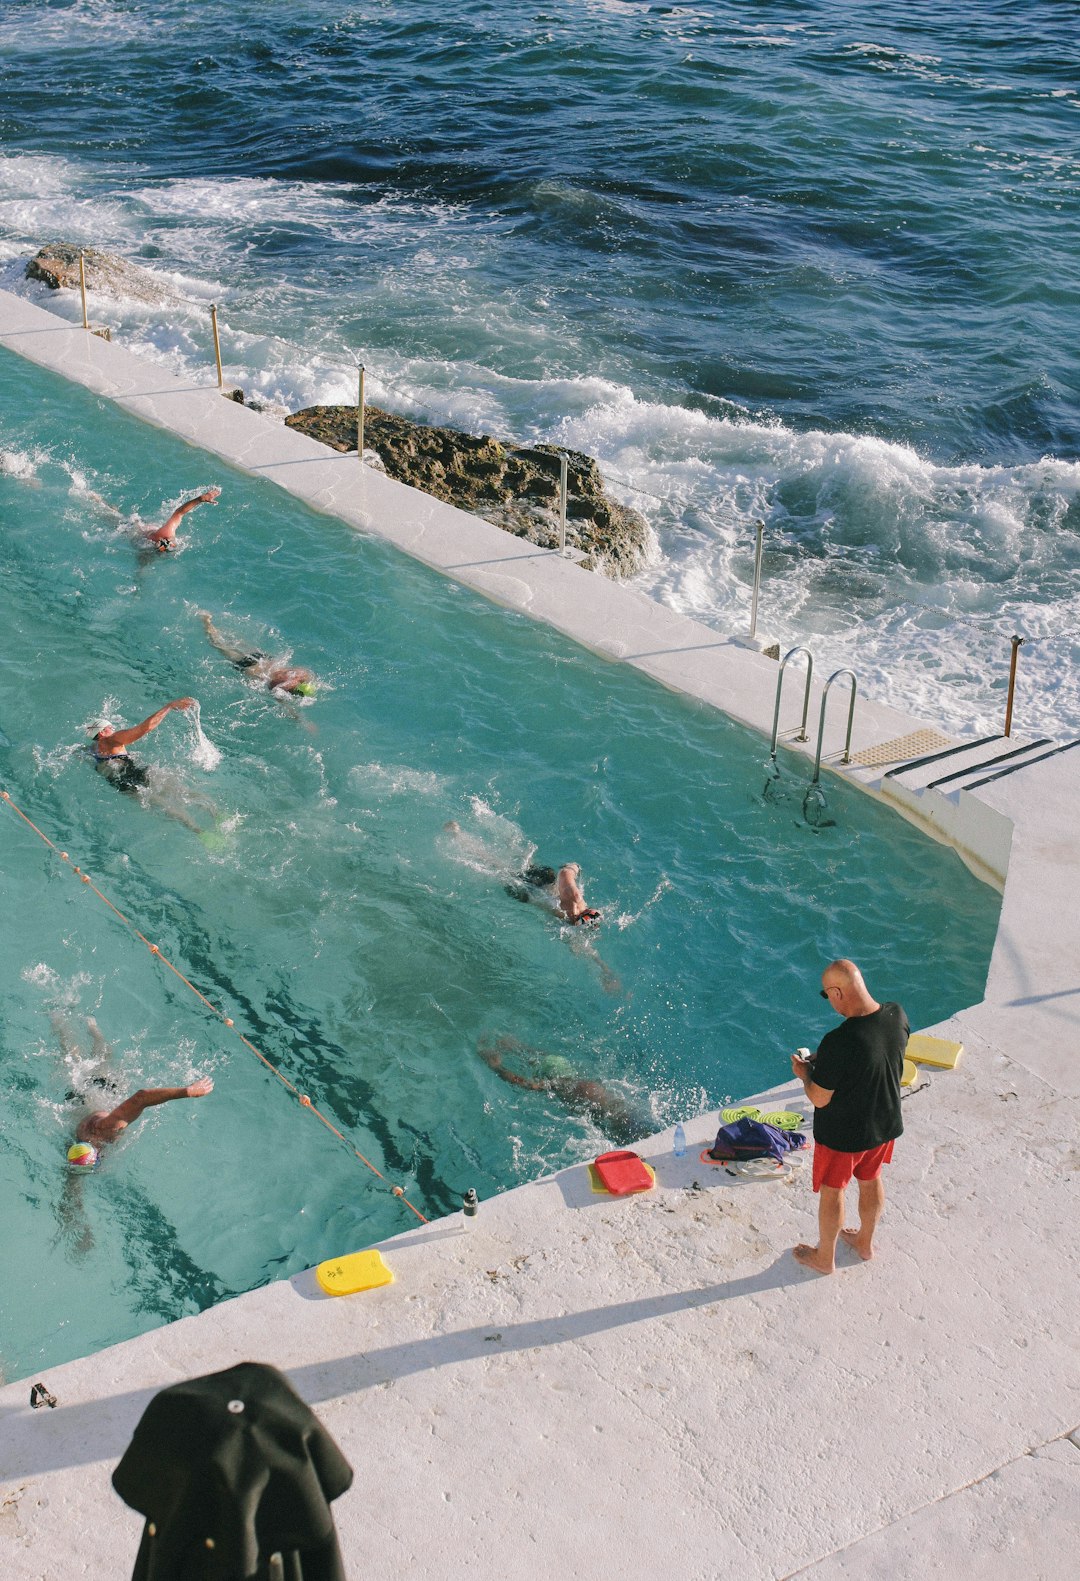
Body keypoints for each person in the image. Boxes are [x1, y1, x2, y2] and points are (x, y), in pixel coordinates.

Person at [790, 959, 908, 1275]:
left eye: (827, 995)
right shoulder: (896, 1016)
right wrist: (825, 1062)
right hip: (884, 1124)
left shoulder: (838, 1041)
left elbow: (818, 1097)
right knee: (870, 1180)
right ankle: (865, 1244)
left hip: (844, 1137)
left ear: (838, 992)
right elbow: (872, 1058)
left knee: (833, 1192)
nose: (829, 1003)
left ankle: (824, 1258)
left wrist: (805, 1074)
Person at [478, 1035, 643, 1145]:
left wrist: (496, 1067)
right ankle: (513, 1045)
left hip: (564, 1072)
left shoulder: (566, 1081)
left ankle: (513, 1045)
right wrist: (496, 1067)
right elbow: (528, 1084)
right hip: (567, 1077)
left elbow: (526, 1082)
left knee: (533, 1056)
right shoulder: (562, 1085)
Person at [199, 612, 317, 699]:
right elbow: (283, 702)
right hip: (248, 666)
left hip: (262, 658)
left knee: (235, 642)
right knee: (218, 644)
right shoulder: (281, 688)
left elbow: (303, 672)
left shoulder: (299, 675)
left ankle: (211, 625)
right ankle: (207, 623)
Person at [143, 486, 220, 553]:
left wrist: (200, 499)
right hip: (153, 539)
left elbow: (179, 513)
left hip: (151, 538)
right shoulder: (166, 533)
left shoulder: (163, 534)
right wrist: (200, 499)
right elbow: (179, 513)